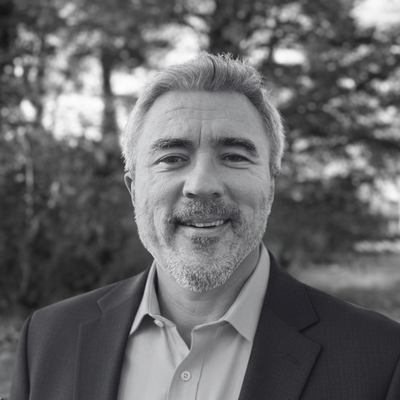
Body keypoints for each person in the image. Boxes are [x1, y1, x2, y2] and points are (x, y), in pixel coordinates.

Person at [10, 52, 400, 400]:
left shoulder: (380, 359)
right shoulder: (46, 339)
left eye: (233, 155)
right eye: (172, 158)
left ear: (270, 184)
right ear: (134, 188)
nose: (201, 184)